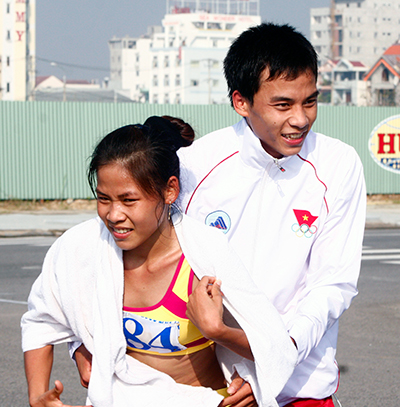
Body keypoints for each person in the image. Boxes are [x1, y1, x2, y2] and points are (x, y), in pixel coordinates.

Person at [21, 116, 297, 407]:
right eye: (103, 198)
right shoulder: (80, 249)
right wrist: (38, 397)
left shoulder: (205, 255)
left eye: (129, 200)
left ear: (170, 190)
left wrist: (218, 331)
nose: (114, 214)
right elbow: (41, 321)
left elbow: (275, 349)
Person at [176, 23, 366, 406]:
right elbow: (150, 268)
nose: (300, 119)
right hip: (217, 388)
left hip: (302, 386)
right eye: (283, 105)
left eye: (310, 101)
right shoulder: (193, 166)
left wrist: (273, 361)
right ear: (241, 102)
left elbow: (332, 285)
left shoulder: (338, 164)